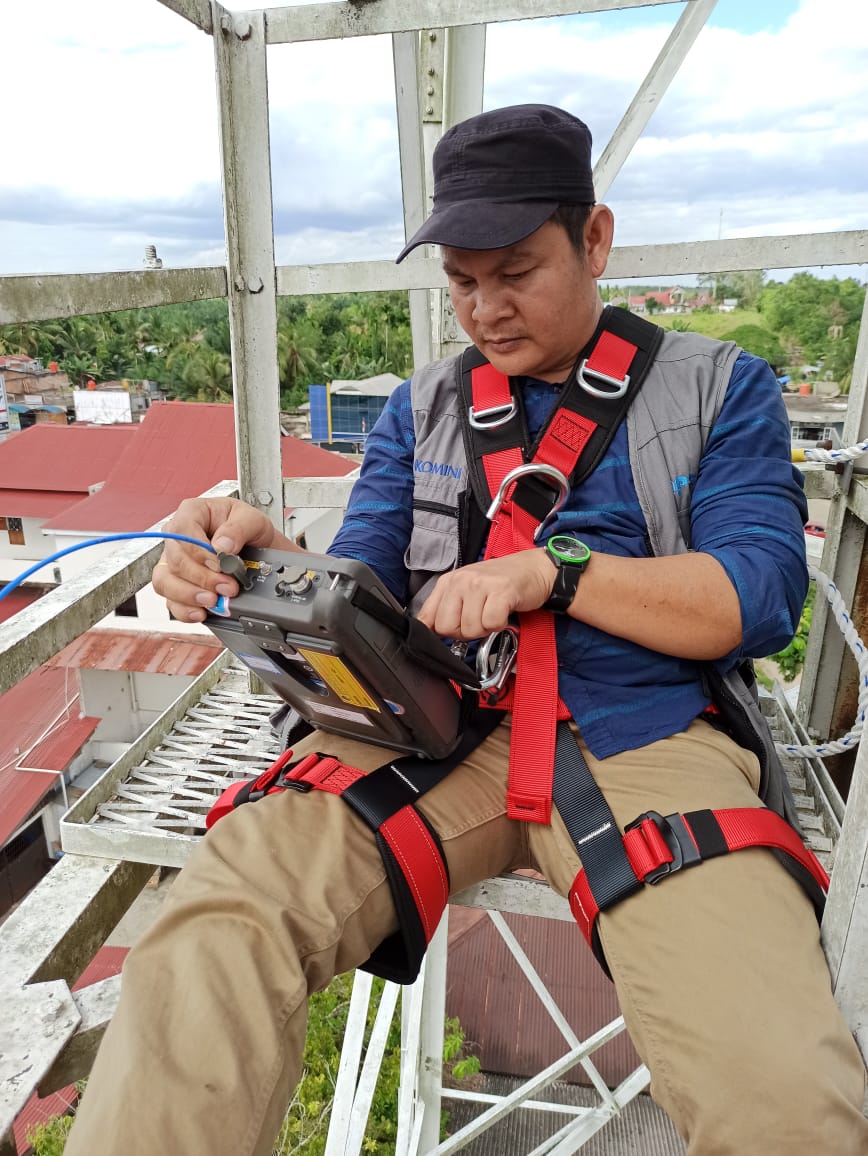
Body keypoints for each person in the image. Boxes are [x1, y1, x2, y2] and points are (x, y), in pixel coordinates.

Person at [65, 104, 867, 1156]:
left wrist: (554, 571)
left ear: (595, 240)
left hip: (644, 737)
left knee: (782, 1097)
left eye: (516, 272)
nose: (485, 309)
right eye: (461, 281)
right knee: (209, 938)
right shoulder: (424, 408)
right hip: (430, 729)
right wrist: (258, 555)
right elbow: (363, 582)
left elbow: (759, 595)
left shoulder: (718, 387)